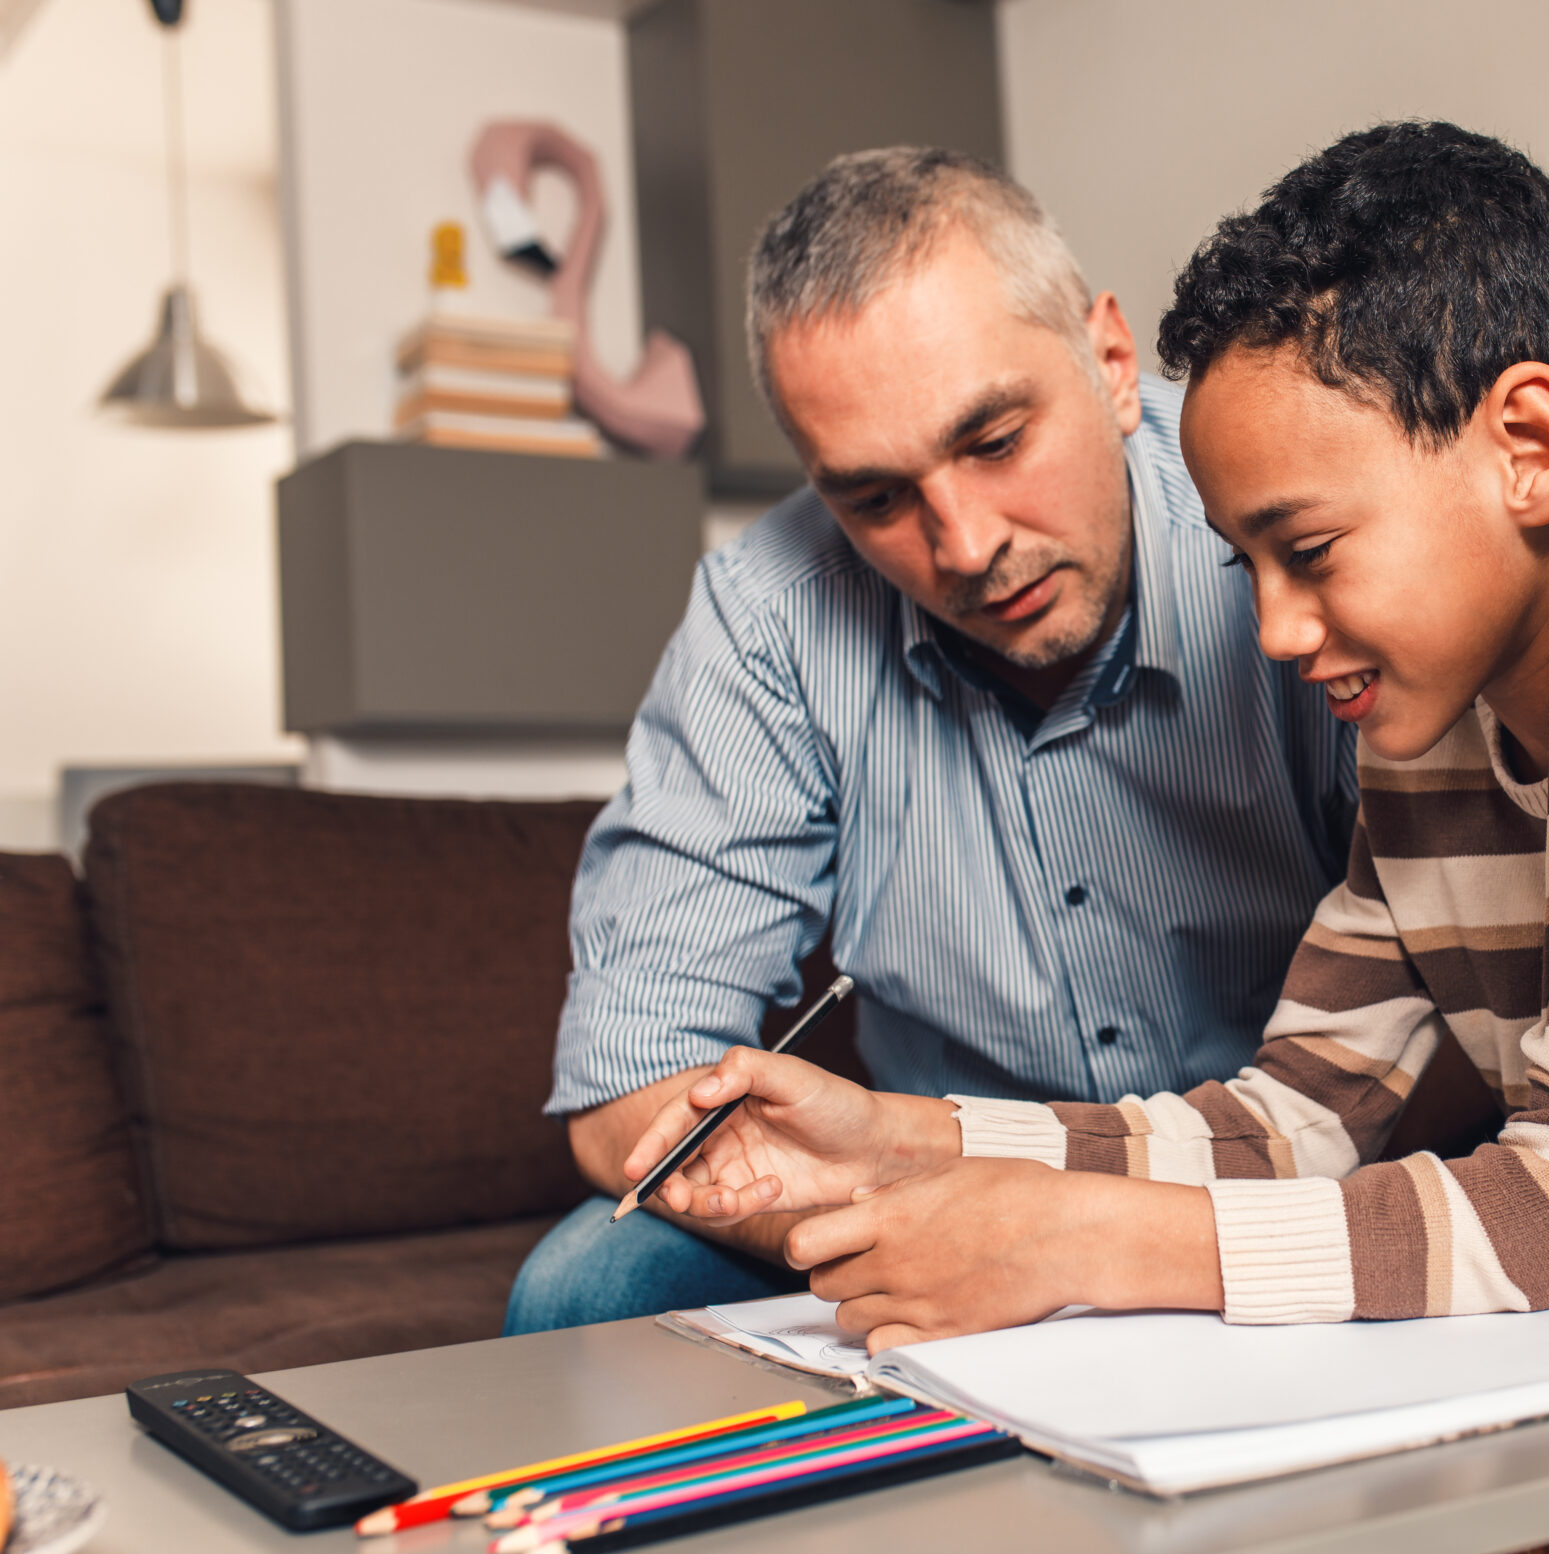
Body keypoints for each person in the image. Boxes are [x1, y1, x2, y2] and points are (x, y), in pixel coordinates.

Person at [619, 123, 1549, 1348]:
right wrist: (908, 1135)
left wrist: (1079, 1236)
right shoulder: (1423, 747)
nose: (1272, 631)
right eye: (1245, 564)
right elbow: (1286, 1116)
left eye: (1311, 549)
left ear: (1529, 446)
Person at [507, 147, 1364, 1337]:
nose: (962, 546)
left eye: (996, 440)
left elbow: (1455, 1029)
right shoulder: (768, 618)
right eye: (873, 498)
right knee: (582, 1293)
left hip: (1306, 1169)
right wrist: (934, 1226)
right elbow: (626, 1093)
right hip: (930, 1198)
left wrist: (1090, 1237)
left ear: (1110, 362)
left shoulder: (1283, 516)